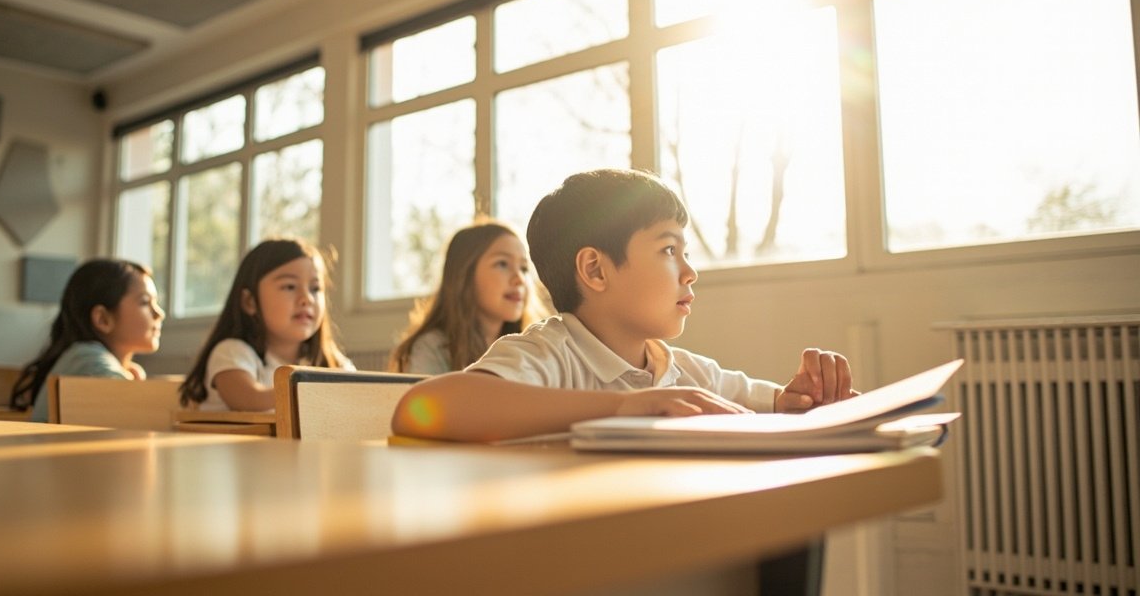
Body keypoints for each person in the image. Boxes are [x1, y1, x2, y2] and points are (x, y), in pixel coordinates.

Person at [392, 168, 857, 442]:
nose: (690, 272)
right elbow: (420, 407)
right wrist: (624, 405)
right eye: (669, 250)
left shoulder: (686, 372)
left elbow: (777, 406)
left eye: (686, 252)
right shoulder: (549, 353)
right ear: (595, 269)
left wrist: (801, 400)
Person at [179, 238, 353, 412]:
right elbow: (248, 399)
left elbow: (360, 397)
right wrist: (322, 392)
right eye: (290, 287)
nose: (306, 298)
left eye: (315, 289)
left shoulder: (330, 360)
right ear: (250, 301)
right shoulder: (231, 352)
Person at [11, 258, 165, 422]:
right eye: (145, 302)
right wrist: (135, 387)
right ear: (102, 319)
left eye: (156, 303)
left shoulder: (83, 358)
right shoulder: (88, 359)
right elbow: (150, 417)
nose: (159, 314)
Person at [388, 221, 546, 375]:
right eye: (502, 264)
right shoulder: (431, 348)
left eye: (524, 268)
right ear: (464, 275)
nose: (520, 279)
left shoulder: (533, 349)